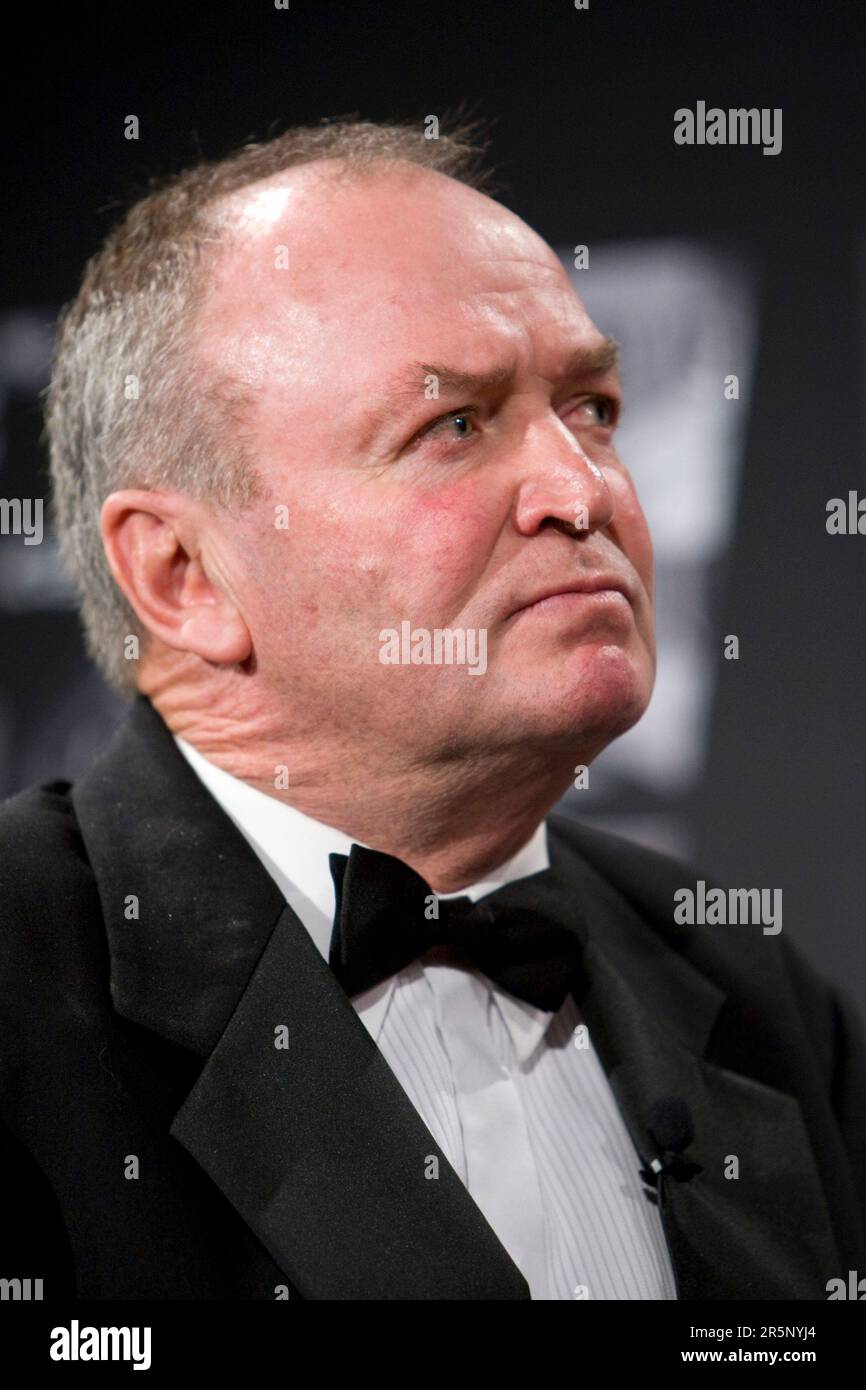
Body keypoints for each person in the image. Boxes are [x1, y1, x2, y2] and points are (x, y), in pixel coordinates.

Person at [1, 119, 863, 1301]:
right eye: (452, 424)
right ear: (184, 577)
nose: (584, 490)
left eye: (593, 407)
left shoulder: (756, 998)